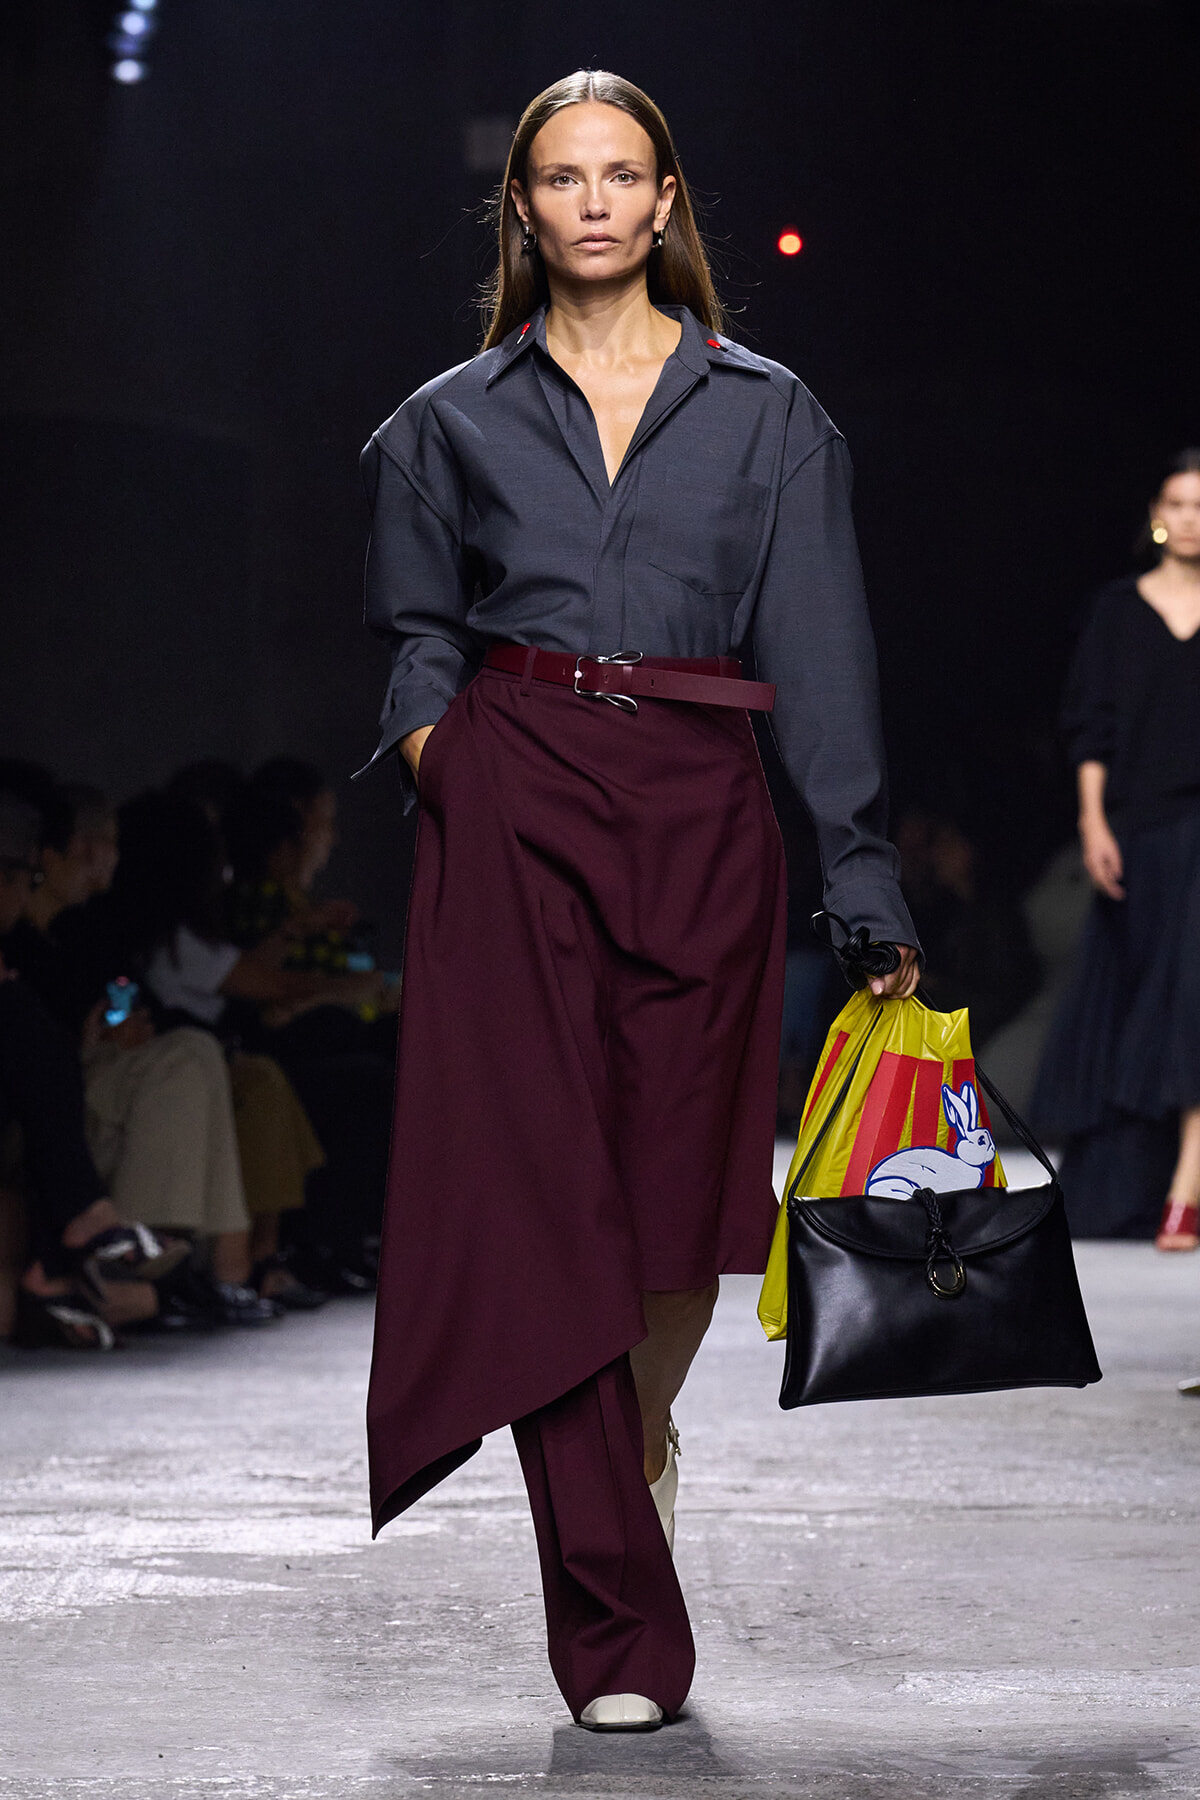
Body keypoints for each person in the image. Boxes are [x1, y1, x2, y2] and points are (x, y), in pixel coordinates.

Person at [359, 70, 919, 1732]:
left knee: (681, 1202)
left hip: (698, 805)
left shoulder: (772, 413)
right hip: (514, 795)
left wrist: (864, 874)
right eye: (559, 178)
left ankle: (637, 1440)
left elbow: (821, 659)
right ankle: (614, 1618)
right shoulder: (442, 423)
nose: (593, 202)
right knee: (544, 1208)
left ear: (666, 202)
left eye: (623, 175)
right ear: (522, 210)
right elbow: (414, 633)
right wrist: (438, 757)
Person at [1032, 451, 1200, 1247]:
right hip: (1136, 830)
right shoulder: (1118, 610)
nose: (1193, 517)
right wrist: (1093, 824)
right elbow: (1090, 725)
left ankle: (1184, 1190)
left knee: (1190, 995)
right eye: (1180, 501)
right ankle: (1144, 1187)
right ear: (1157, 513)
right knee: (1138, 999)